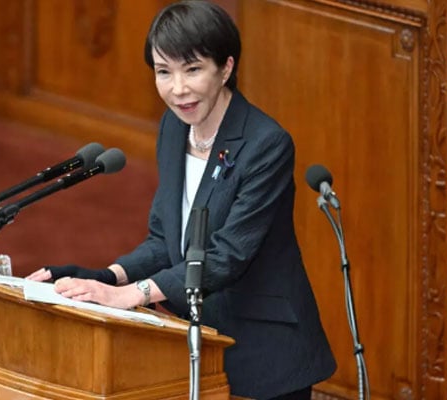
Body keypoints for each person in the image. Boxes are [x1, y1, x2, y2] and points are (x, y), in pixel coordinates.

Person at [27, 1, 336, 398]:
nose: (177, 89)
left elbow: (227, 255)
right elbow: (166, 241)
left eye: (192, 69)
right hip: (195, 341)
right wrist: (107, 277)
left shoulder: (266, 144)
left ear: (225, 68)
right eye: (163, 71)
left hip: (264, 349)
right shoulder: (174, 128)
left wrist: (131, 295)